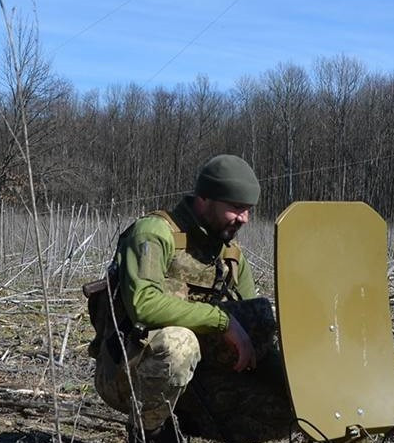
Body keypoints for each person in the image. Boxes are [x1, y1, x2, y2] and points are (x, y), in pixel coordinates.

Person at [86, 154, 293, 443]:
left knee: (282, 412)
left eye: (248, 210)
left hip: (199, 378)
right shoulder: (154, 232)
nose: (244, 219)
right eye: (236, 208)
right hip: (127, 371)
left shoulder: (230, 254)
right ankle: (149, 432)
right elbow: (143, 305)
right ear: (204, 199)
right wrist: (222, 321)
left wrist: (292, 387)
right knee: (179, 344)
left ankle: (190, 421)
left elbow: (253, 334)